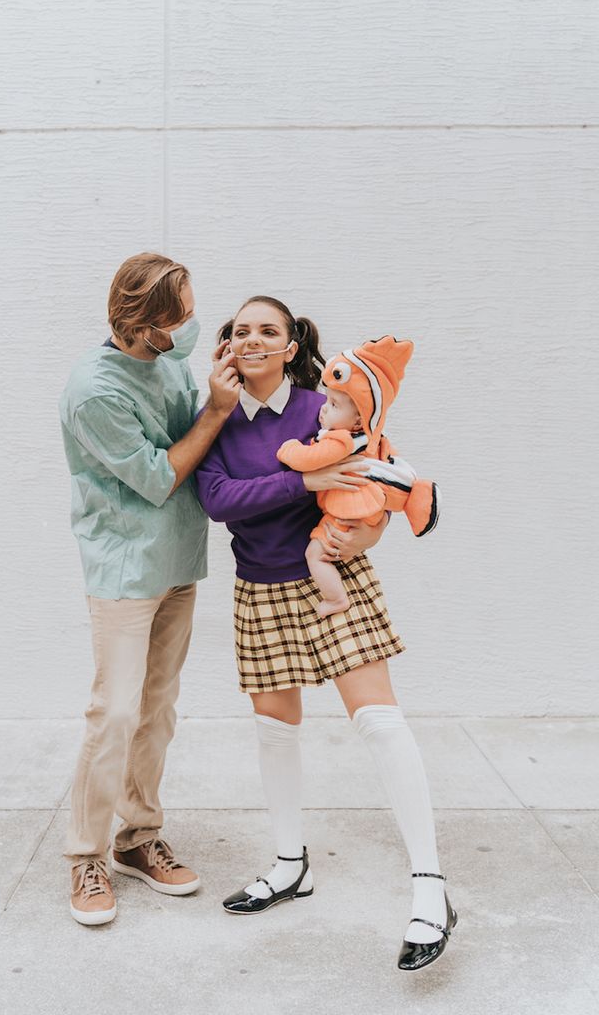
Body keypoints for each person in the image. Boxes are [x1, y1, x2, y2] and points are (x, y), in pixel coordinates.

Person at [194, 296, 457, 973]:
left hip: (332, 586)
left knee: (379, 723)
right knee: (274, 730)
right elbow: (219, 501)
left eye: (268, 331)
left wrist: (365, 527)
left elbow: (378, 486)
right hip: (259, 589)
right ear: (226, 346)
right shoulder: (216, 419)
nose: (252, 338)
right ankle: (291, 866)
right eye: (240, 330)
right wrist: (304, 478)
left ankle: (430, 886)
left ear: (290, 346)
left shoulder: (323, 406)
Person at [59, 252, 240, 926]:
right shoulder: (94, 391)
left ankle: (138, 838)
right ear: (144, 322)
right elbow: (160, 476)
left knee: (157, 711)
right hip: (125, 572)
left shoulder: (167, 360)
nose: (191, 324)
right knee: (113, 713)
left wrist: (223, 388)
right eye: (181, 315)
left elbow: (187, 429)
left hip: (177, 561)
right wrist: (217, 412)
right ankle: (86, 855)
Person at [276, 336, 440, 618]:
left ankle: (336, 598)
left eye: (334, 405)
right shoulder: (371, 441)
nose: (324, 408)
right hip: (364, 512)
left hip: (345, 516)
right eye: (327, 400)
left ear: (357, 421)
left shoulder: (341, 442)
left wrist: (288, 449)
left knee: (314, 555)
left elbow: (307, 459)